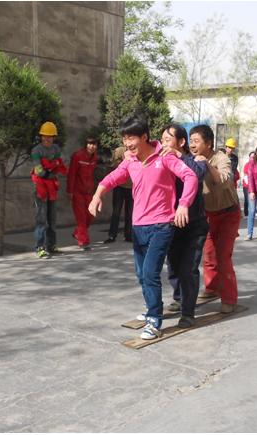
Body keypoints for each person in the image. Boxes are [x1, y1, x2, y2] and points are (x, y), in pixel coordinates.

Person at [89, 115, 198, 340]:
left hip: (162, 225)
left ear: (145, 137)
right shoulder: (130, 160)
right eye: (125, 139)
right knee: (141, 274)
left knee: (150, 273)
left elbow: (190, 177)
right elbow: (113, 177)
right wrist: (97, 195)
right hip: (138, 226)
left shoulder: (164, 156)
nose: (127, 144)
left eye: (132, 138)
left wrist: (183, 204)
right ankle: (152, 305)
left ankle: (154, 320)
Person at [160, 124, 209, 328]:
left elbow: (196, 175)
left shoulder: (197, 160)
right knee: (173, 265)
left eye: (168, 139)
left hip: (194, 224)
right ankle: (179, 297)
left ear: (181, 142)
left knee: (188, 268)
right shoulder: (163, 159)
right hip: (172, 223)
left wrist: (179, 156)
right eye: (162, 140)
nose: (164, 144)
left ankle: (188, 312)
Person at [191, 125, 240, 314]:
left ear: (208, 143)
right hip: (208, 214)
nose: (193, 145)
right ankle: (212, 288)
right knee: (209, 254)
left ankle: (229, 298)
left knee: (223, 256)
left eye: (197, 141)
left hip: (228, 213)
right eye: (191, 141)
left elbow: (225, 180)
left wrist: (207, 165)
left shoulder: (221, 158)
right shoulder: (191, 157)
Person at [30, 121, 68, 259]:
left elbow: (58, 164)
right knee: (41, 218)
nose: (47, 139)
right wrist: (49, 172)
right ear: (41, 136)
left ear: (54, 137)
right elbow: (38, 170)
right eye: (45, 136)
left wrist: (53, 170)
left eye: (50, 136)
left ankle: (51, 245)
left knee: (52, 218)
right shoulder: (36, 151)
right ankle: (39, 247)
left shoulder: (56, 149)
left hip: (51, 187)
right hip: (40, 187)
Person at [67, 137, 98, 250]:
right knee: (81, 218)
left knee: (90, 215)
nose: (92, 146)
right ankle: (83, 242)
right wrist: (70, 191)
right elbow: (71, 174)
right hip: (77, 192)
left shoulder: (95, 158)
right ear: (86, 145)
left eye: (94, 144)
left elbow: (93, 175)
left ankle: (78, 233)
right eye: (90, 144)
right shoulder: (77, 156)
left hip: (89, 192)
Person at [104, 142, 133, 243]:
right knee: (116, 211)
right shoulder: (119, 151)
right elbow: (113, 166)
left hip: (132, 187)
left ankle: (128, 235)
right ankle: (112, 235)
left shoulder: (138, 151)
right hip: (119, 186)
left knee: (130, 212)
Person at [241, 151, 255, 217]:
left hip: (254, 186)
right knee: (247, 199)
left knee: (253, 200)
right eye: (251, 157)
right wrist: (250, 185)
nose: (252, 158)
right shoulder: (247, 165)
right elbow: (246, 176)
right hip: (247, 186)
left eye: (254, 157)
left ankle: (252, 212)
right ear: (249, 157)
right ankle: (246, 213)